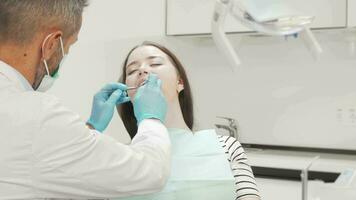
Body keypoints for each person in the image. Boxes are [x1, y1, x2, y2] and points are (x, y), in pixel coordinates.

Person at [0, 1, 171, 199]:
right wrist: (151, 118)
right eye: (69, 47)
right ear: (51, 44)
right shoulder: (37, 118)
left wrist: (90, 129)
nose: (143, 71)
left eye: (156, 63)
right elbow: (151, 173)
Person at [117, 41, 261, 200]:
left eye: (155, 63)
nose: (142, 70)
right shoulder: (117, 159)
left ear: (180, 82)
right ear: (127, 92)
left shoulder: (226, 147)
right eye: (132, 70)